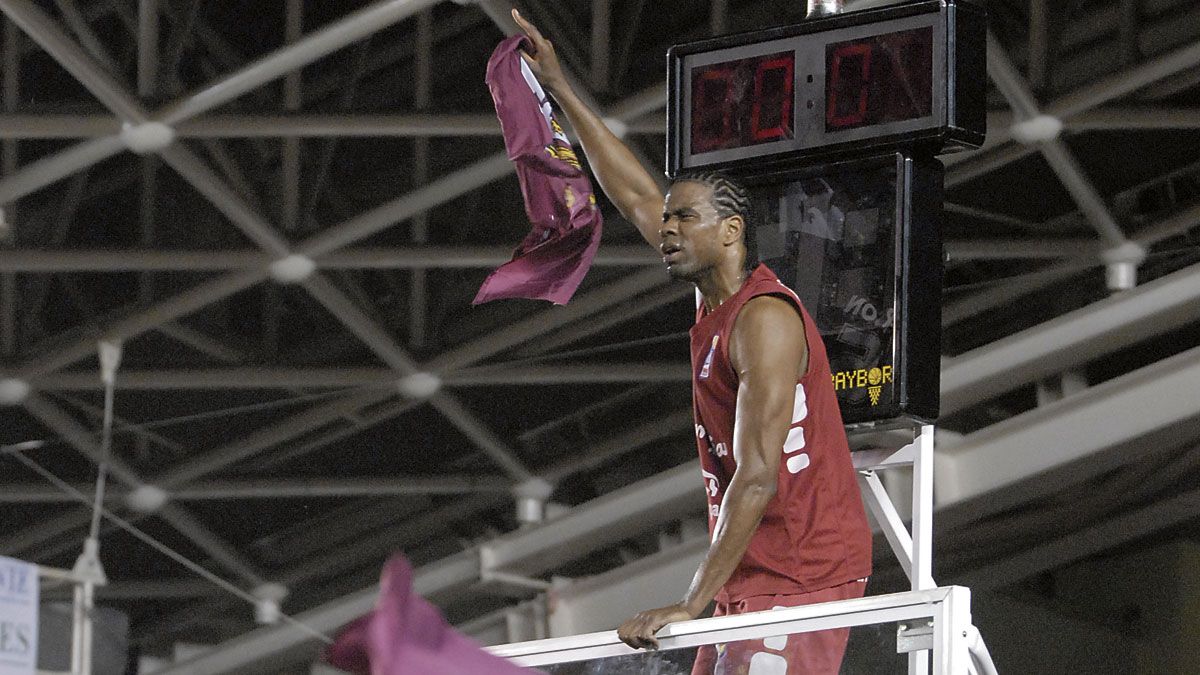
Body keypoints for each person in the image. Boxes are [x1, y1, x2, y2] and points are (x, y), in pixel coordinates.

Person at [511, 10, 873, 674]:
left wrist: (690, 602)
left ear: (731, 232)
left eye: (685, 217)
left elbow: (759, 474)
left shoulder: (764, 319)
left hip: (802, 572)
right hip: (752, 570)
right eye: (669, 216)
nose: (667, 227)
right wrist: (560, 87)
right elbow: (631, 192)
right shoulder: (709, 296)